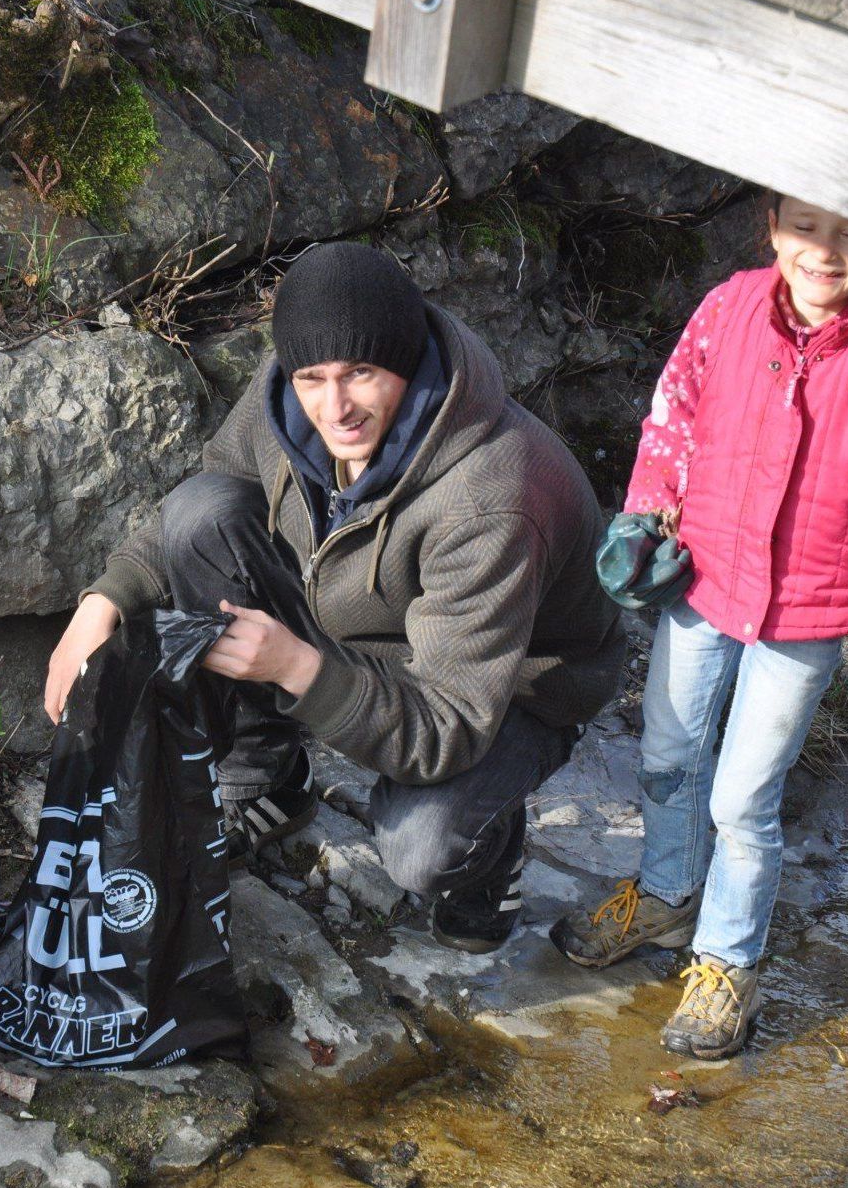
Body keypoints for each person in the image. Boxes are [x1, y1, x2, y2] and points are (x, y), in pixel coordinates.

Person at [44, 241, 626, 953]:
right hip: (366, 621)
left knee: (421, 849)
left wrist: (297, 667)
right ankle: (267, 776)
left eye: (361, 373)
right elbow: (211, 492)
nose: (335, 407)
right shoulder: (288, 393)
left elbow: (446, 725)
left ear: (406, 362)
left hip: (505, 686)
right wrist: (104, 600)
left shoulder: (490, 497)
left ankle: (490, 853)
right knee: (203, 513)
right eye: (312, 378)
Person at [552, 194, 848, 1059]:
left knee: (742, 798)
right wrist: (648, 513)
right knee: (668, 752)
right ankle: (666, 896)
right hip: (703, 578)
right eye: (805, 228)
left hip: (807, 609)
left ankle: (727, 962)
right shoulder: (727, 307)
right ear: (772, 227)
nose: (824, 252)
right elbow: (673, 414)